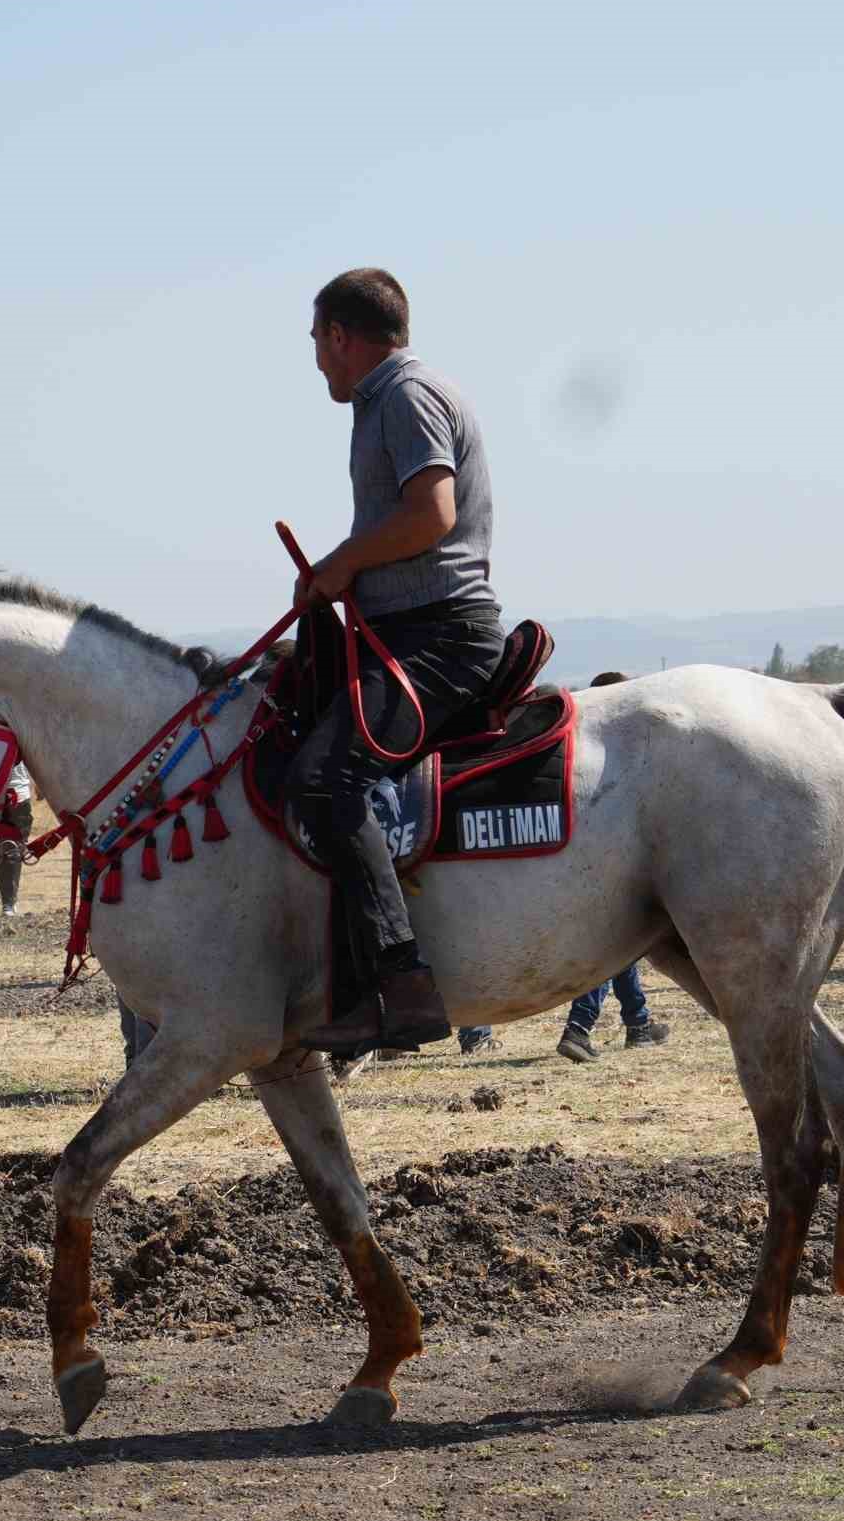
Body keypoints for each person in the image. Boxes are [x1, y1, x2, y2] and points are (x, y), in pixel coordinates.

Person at [286, 268, 504, 1057]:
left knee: (325, 778)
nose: (315, 361)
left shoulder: (405, 396)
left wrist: (343, 562)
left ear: (341, 336)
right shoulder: (385, 399)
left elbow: (431, 514)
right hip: (406, 628)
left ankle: (402, 983)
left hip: (439, 635)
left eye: (316, 342)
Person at [554, 672, 670, 1063]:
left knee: (622, 952)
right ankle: (579, 1027)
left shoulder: (579, 749)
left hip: (584, 868)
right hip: (604, 872)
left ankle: (638, 1022)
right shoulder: (613, 758)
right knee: (610, 949)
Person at [0, 760, 33, 916]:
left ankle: (8, 904)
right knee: (10, 850)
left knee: (11, 850)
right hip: (8, 793)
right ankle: (8, 905)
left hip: (16, 794)